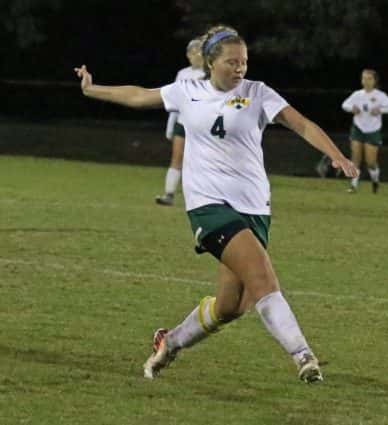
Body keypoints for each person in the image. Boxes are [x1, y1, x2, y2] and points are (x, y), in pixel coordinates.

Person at [74, 25, 359, 383]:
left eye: (244, 62)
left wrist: (336, 156)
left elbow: (301, 124)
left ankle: (171, 341)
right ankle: (304, 357)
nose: (239, 69)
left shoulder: (257, 92)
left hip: (254, 206)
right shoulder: (186, 91)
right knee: (263, 281)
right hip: (209, 206)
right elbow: (138, 96)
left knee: (231, 306)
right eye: (231, 62)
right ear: (211, 63)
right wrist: (92, 89)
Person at [155, 37, 206, 206]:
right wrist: (171, 124)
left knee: (202, 161)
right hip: (182, 122)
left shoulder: (209, 74)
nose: (196, 55)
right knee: (176, 158)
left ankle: (205, 197)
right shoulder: (182, 74)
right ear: (188, 55)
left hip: (201, 124)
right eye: (192, 52)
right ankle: (169, 194)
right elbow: (175, 100)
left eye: (199, 51)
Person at [341, 69, 388, 193]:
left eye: (369, 79)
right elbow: (344, 105)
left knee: (370, 162)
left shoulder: (380, 95)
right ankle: (353, 185)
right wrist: (352, 108)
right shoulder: (357, 94)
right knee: (355, 157)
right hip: (358, 129)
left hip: (373, 131)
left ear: (374, 81)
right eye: (364, 78)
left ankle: (375, 181)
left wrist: (380, 110)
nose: (366, 81)